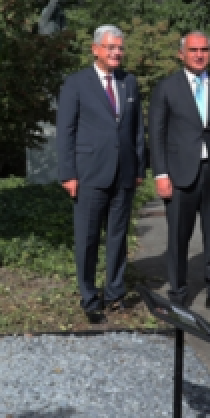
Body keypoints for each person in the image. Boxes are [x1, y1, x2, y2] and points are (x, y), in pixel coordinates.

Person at [149, 31, 210, 316]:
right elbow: (157, 134)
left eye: (204, 49)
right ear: (182, 54)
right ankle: (178, 294)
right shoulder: (166, 88)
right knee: (178, 238)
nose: (199, 55)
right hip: (180, 176)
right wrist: (161, 174)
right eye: (193, 50)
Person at [56, 25, 145, 324]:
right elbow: (65, 132)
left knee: (118, 237)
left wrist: (139, 167)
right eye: (110, 48)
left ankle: (115, 292)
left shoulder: (129, 82)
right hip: (89, 174)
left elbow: (136, 131)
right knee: (88, 238)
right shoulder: (76, 83)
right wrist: (68, 173)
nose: (116, 52)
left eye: (119, 48)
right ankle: (90, 297)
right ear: (95, 49)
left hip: (124, 174)